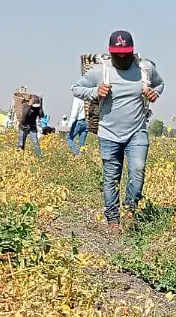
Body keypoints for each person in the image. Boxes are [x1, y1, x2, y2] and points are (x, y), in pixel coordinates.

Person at [72, 29, 164, 229]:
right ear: (110, 52)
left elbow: (159, 84)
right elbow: (76, 88)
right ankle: (113, 219)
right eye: (117, 54)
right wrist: (95, 91)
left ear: (132, 51)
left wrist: (154, 93)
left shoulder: (145, 69)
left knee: (137, 170)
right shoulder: (100, 71)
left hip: (137, 132)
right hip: (109, 134)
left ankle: (130, 210)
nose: (121, 58)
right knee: (111, 178)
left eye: (125, 54)